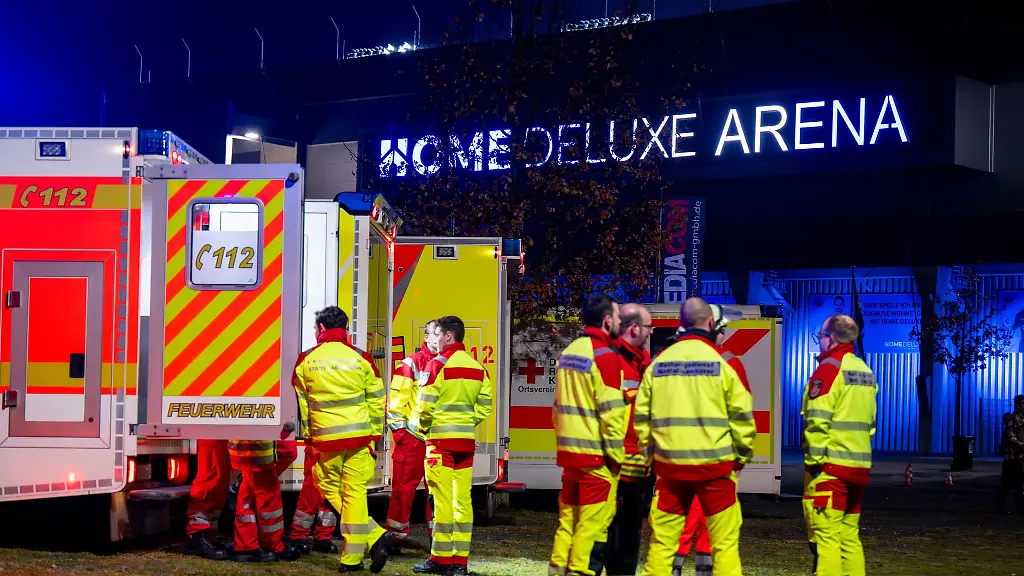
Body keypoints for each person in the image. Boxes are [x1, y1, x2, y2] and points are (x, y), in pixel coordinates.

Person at [634, 298, 756, 576]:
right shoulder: (726, 363)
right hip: (717, 469)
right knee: (724, 545)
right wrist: (739, 457)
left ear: (681, 324)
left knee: (663, 544)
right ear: (711, 323)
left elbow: (641, 418)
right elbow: (743, 418)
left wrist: (651, 457)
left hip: (670, 470)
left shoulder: (658, 363)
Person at [293, 306, 395, 573]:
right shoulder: (361, 358)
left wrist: (309, 437)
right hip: (360, 438)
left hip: (327, 441)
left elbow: (303, 405)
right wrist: (374, 436)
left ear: (321, 329)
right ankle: (359, 551)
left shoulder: (306, 360)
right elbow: (377, 401)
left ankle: (370, 539)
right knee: (354, 495)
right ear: (346, 329)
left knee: (327, 487)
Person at [548, 294, 626, 576]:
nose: (619, 322)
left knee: (569, 521)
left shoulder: (570, 353)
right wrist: (617, 460)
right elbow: (613, 414)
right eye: (617, 317)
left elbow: (558, 407)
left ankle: (557, 570)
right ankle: (582, 572)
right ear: (607, 321)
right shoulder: (605, 357)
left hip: (571, 457)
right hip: (597, 458)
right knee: (592, 526)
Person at [411, 316, 494, 575]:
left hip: (439, 444)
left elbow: (424, 407)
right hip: (465, 444)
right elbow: (485, 406)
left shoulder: (436, 366)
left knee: (443, 501)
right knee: (463, 502)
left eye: (436, 334)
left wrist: (422, 428)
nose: (433, 339)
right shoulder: (477, 368)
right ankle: (460, 562)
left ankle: (440, 560)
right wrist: (466, 421)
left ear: (448, 336)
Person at [801, 314, 878, 576]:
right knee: (849, 538)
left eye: (820, 336)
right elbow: (870, 422)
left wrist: (814, 465)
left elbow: (817, 422)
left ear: (831, 339)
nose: (819, 341)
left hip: (831, 470)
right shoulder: (865, 371)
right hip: (857, 468)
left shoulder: (830, 369)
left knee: (827, 540)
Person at [605, 303, 653, 576]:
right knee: (608, 533)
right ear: (635, 328)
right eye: (648, 327)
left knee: (630, 532)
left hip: (637, 467)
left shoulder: (642, 362)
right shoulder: (611, 359)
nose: (650, 332)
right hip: (613, 464)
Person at [385, 319, 441, 542]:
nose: (438, 338)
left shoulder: (450, 363)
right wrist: (401, 435)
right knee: (402, 491)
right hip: (414, 438)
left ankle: (438, 539)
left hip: (439, 439)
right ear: (426, 337)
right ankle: (396, 536)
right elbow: (396, 403)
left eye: (441, 333)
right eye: (434, 333)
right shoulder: (412, 363)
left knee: (438, 492)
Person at [227, 438, 301, 562]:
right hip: (259, 449)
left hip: (246, 448)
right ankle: (272, 545)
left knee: (247, 496)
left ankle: (246, 545)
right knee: (268, 496)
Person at [285, 444, 339, 554]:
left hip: (337, 447)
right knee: (310, 493)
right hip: (318, 445)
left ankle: (323, 537)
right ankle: (298, 535)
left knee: (330, 493)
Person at [183, 440, 231, 560]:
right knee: (211, 474)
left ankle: (207, 535)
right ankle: (196, 536)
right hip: (214, 429)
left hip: (223, 428)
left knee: (220, 477)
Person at [994, 394, 1024, 513]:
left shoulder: (1021, 418)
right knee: (1014, 480)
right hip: (1012, 455)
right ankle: (1017, 505)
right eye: (1022, 403)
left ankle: (1000, 502)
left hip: (1019, 454)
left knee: (1012, 481)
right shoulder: (1013, 419)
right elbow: (1010, 436)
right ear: (1017, 404)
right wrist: (1021, 445)